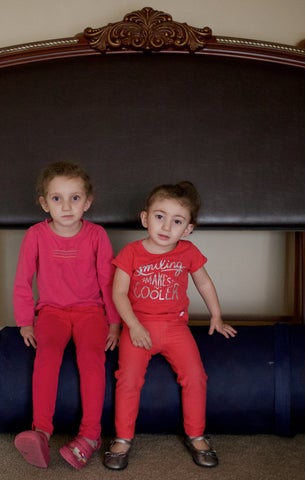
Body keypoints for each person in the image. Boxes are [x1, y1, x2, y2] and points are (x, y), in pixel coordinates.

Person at [103, 181, 237, 471]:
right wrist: (134, 327)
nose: (166, 227)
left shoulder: (187, 252)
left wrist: (217, 316)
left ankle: (197, 435)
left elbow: (203, 281)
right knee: (128, 379)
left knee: (196, 376)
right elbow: (118, 293)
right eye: (159, 216)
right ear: (145, 218)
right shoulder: (131, 252)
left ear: (188, 229)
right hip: (139, 327)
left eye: (177, 221)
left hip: (175, 328)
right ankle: (123, 439)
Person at [12, 161, 121, 470]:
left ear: (87, 202)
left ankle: (90, 436)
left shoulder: (97, 235)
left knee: (91, 359)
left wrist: (114, 322)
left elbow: (108, 281)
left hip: (90, 312)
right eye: (57, 198)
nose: (66, 206)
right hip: (51, 312)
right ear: (45, 203)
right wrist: (24, 321)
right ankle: (41, 432)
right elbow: (23, 280)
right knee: (46, 357)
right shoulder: (35, 235)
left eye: (75, 198)